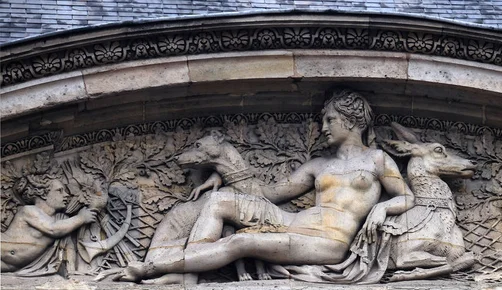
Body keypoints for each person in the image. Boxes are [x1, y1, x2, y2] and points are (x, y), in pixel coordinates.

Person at [116, 90, 415, 283]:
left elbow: (406, 197)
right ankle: (188, 275)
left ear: (351, 121)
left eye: (329, 120)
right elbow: (269, 193)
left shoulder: (377, 159)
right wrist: (224, 169)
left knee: (241, 242)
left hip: (328, 242)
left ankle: (155, 267)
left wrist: (384, 207)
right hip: (291, 223)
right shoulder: (317, 166)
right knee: (220, 200)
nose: (323, 127)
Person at [1, 178, 97, 272]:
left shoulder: (62, 220)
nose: (66, 195)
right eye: (60, 190)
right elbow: (52, 229)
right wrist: (80, 218)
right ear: (43, 194)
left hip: (10, 265)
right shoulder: (29, 210)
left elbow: (68, 245)